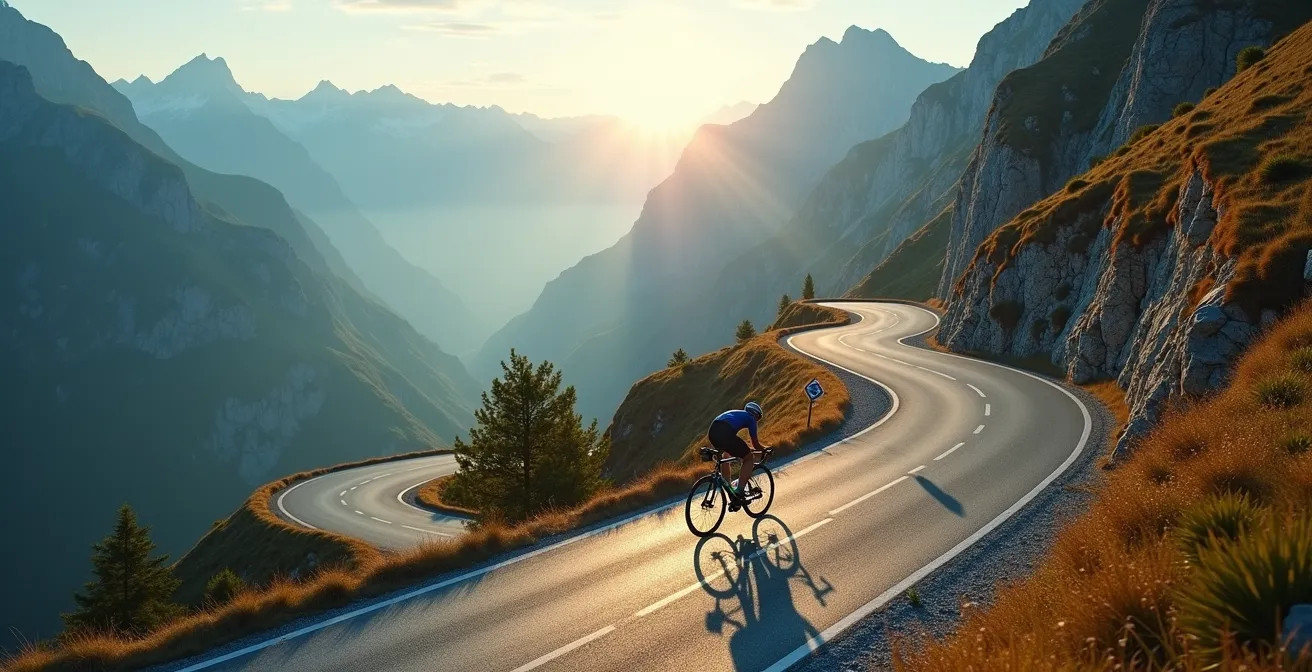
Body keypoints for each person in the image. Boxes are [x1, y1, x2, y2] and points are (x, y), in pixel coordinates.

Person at [707, 401, 767, 501]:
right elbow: (756, 445)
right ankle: (739, 491)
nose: (757, 422)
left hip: (713, 431)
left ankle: (729, 487)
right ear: (756, 414)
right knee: (748, 458)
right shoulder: (751, 419)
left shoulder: (738, 413)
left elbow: (735, 444)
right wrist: (765, 449)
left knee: (726, 455)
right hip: (726, 432)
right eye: (758, 419)